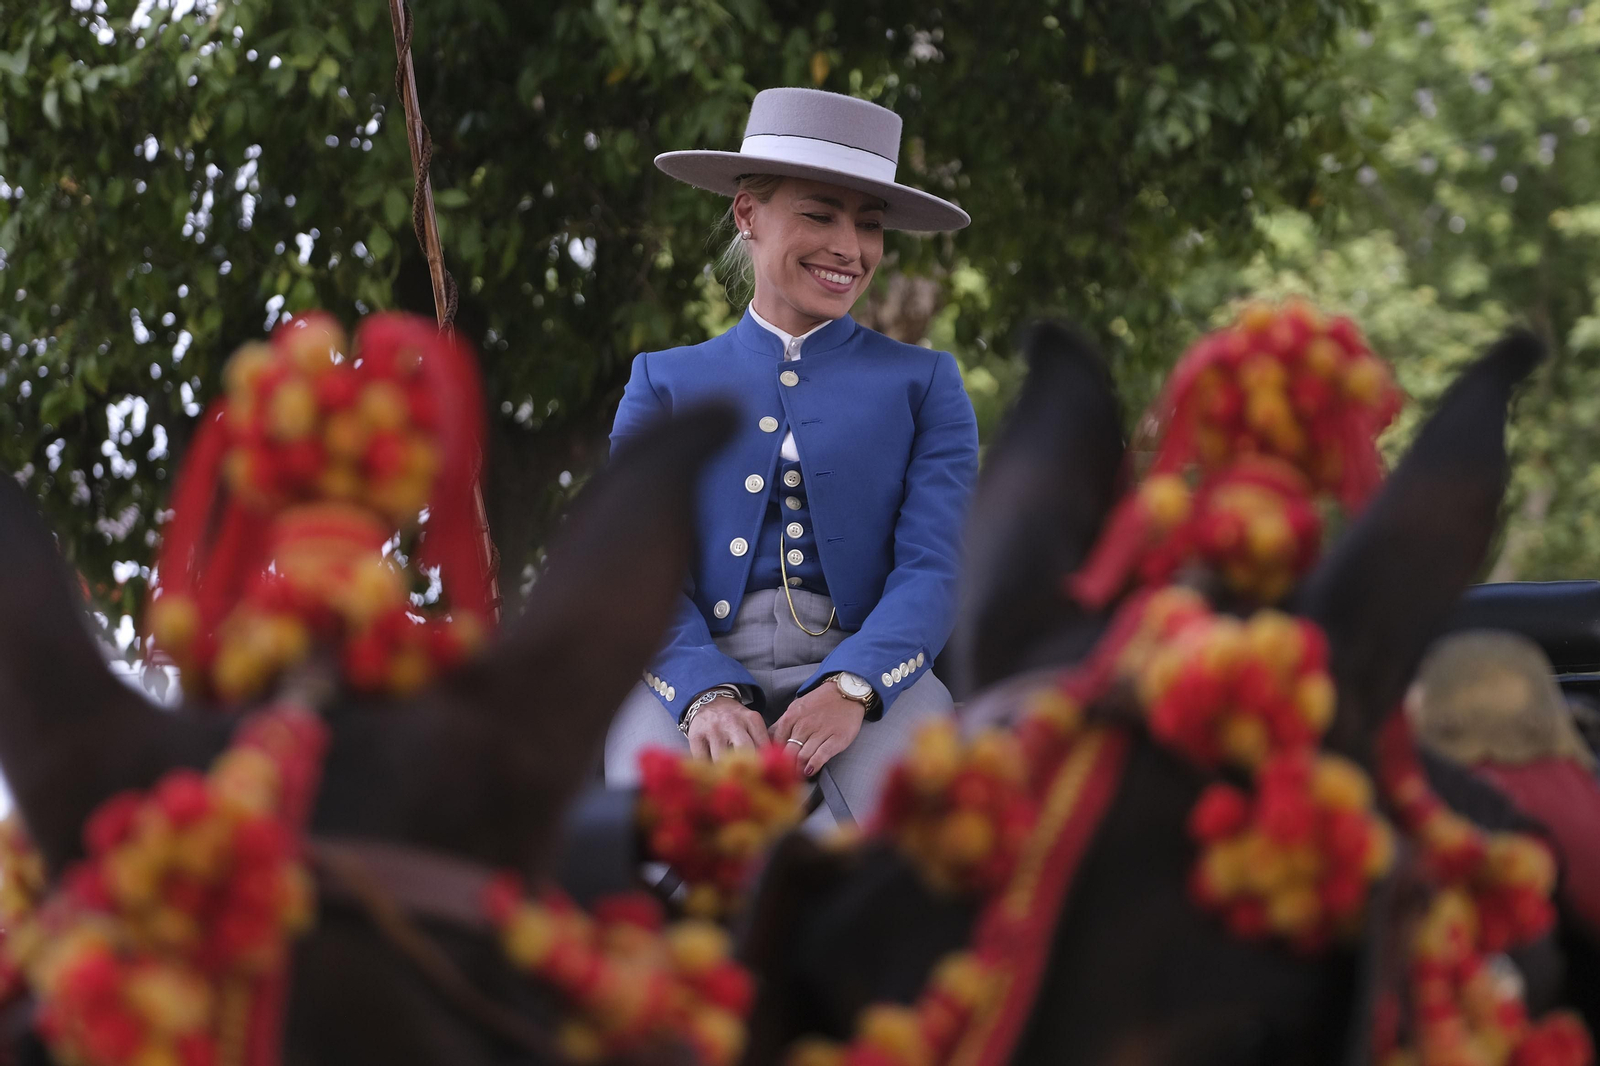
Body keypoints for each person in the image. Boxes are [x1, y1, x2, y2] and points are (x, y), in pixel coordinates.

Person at [604, 87, 978, 826]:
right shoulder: (663, 381)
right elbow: (631, 569)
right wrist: (701, 693)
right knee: (641, 844)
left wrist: (857, 688)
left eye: (869, 226)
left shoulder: (925, 384)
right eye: (819, 214)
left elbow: (935, 569)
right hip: (690, 674)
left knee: (925, 856)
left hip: (874, 674)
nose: (850, 248)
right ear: (748, 213)